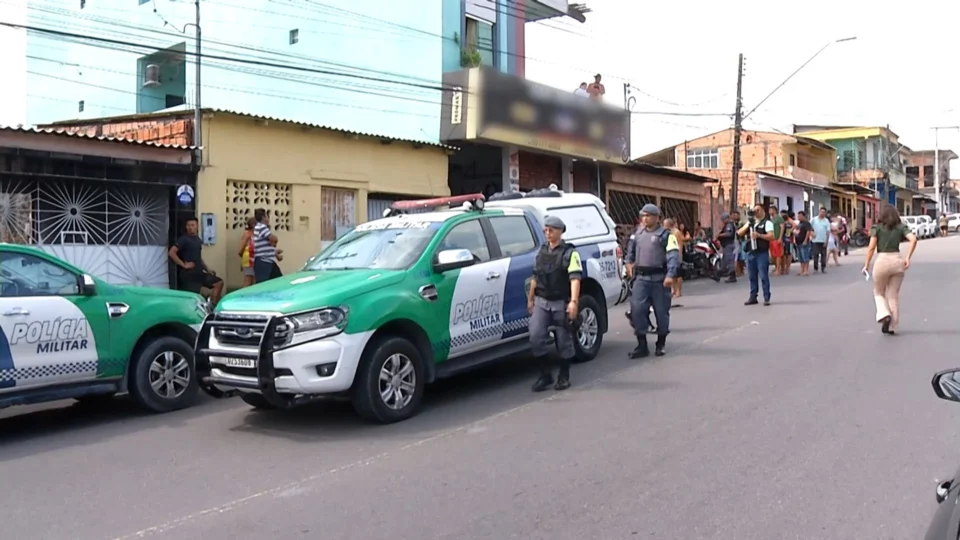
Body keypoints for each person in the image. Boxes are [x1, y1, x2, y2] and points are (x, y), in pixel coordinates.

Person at [528, 215, 582, 392]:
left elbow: (575, 279)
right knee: (536, 336)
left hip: (561, 301)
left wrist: (573, 302)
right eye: (546, 230)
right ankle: (545, 375)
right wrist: (530, 299)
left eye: (551, 230)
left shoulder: (570, 253)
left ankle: (564, 376)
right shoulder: (542, 251)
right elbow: (536, 277)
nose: (547, 233)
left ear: (560, 231)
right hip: (542, 300)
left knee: (563, 339)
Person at [625, 203, 679, 358]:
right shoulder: (638, 234)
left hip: (659, 280)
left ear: (657, 218)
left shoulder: (665, 236)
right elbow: (631, 251)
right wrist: (629, 264)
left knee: (661, 313)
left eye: (648, 216)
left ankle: (660, 343)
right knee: (637, 311)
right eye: (643, 215)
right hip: (641, 279)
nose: (645, 218)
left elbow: (673, 256)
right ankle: (641, 345)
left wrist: (670, 275)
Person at [862, 204, 918, 335]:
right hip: (897, 261)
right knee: (893, 296)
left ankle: (884, 314)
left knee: (878, 292)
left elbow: (871, 248)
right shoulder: (901, 227)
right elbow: (913, 239)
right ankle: (893, 326)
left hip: (882, 260)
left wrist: (867, 264)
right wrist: (908, 258)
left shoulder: (877, 228)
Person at [168, 216, 224, 306]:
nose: (190, 227)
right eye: (188, 225)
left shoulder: (198, 239)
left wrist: (207, 269)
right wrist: (183, 264)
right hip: (189, 274)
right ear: (186, 227)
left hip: (199, 272)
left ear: (197, 226)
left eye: (193, 225)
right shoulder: (183, 239)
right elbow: (171, 252)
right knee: (193, 298)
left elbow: (198, 257)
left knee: (218, 283)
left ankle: (212, 306)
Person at [737, 203, 775, 306]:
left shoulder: (767, 223)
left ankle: (766, 297)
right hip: (751, 252)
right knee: (752, 276)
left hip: (761, 252)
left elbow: (771, 236)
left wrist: (759, 235)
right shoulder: (751, 223)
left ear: (763, 211)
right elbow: (739, 233)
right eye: (755, 211)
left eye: (758, 210)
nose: (756, 213)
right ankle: (753, 296)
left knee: (763, 275)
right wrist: (748, 225)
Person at [252, 208, 282, 283]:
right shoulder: (262, 227)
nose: (268, 219)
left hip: (268, 261)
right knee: (262, 284)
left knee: (278, 281)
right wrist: (274, 240)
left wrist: (274, 252)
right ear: (263, 217)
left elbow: (268, 243)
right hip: (263, 261)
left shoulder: (259, 227)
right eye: (267, 216)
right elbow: (273, 238)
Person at [664, 218, 684, 298]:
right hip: (669, 254)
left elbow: (680, 244)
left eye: (665, 224)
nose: (663, 225)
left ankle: (679, 291)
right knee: (672, 274)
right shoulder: (667, 233)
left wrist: (679, 256)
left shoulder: (676, 232)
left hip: (676, 254)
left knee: (678, 274)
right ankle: (673, 290)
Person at [717, 212, 738, 283]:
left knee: (729, 261)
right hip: (726, 245)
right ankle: (719, 274)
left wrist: (719, 235)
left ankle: (732, 276)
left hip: (729, 245)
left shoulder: (729, 225)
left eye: (723, 220)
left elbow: (729, 234)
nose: (723, 221)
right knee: (725, 260)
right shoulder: (727, 225)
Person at [810, 207, 831, 273]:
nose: (822, 213)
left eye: (824, 212)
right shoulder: (814, 219)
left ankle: (823, 267)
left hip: (823, 240)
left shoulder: (826, 221)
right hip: (815, 240)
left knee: (823, 255)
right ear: (819, 212)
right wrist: (811, 233)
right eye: (821, 212)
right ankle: (815, 268)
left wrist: (826, 241)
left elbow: (828, 232)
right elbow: (809, 227)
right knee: (815, 254)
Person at [238, 217, 257, 288]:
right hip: (249, 260)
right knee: (248, 280)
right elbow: (240, 250)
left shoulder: (255, 234)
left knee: (254, 280)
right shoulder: (247, 235)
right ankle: (244, 297)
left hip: (253, 259)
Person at [794, 211, 813, 276]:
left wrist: (805, 240)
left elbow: (808, 232)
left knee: (805, 256)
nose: (799, 217)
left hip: (804, 242)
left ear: (804, 216)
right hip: (798, 242)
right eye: (798, 216)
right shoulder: (799, 223)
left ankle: (806, 270)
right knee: (800, 257)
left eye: (800, 216)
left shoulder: (806, 223)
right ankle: (802, 270)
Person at [768, 206, 785, 275]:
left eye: (770, 210)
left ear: (774, 210)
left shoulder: (779, 218)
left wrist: (780, 238)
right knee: (773, 255)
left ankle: (778, 269)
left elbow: (782, 228)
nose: (769, 212)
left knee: (778, 254)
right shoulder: (771, 219)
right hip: (771, 239)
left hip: (777, 238)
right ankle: (776, 267)